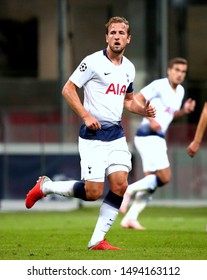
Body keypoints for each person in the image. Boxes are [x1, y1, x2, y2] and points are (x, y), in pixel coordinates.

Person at [25, 16, 156, 250]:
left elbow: (128, 101)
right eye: (113, 33)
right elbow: (68, 89)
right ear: (106, 37)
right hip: (92, 136)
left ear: (128, 38)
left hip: (116, 134)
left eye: (121, 33)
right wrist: (86, 115)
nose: (117, 37)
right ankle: (46, 187)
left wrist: (143, 110)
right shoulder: (92, 62)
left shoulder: (129, 68)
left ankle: (97, 239)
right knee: (93, 192)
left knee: (120, 185)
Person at [120, 57, 196, 230]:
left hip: (155, 137)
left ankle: (130, 218)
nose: (179, 74)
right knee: (165, 177)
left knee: (151, 183)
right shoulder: (159, 85)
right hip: (149, 134)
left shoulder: (181, 91)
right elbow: (136, 99)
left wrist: (184, 111)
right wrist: (150, 118)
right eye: (176, 70)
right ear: (169, 70)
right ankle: (128, 190)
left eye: (183, 71)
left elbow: (170, 114)